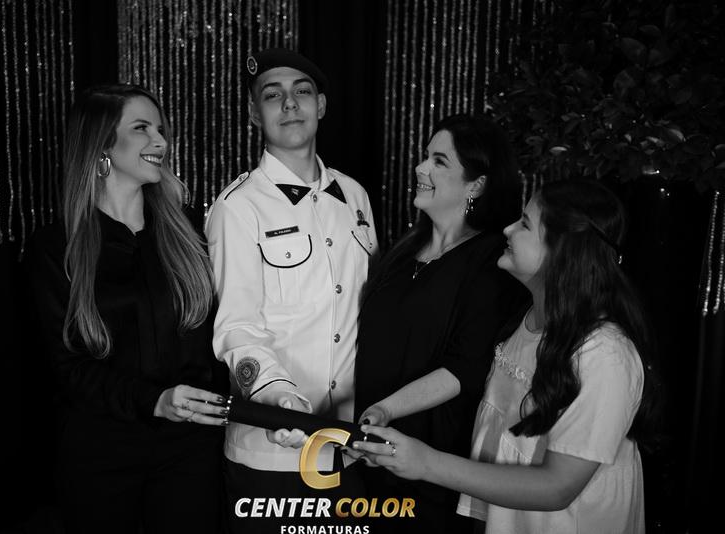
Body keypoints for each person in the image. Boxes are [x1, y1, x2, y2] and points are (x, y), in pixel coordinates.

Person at [353, 179, 659, 534]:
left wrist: (426, 463)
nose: (508, 229)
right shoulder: (525, 320)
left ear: (562, 250)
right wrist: (387, 412)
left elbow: (558, 487)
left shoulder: (603, 354)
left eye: (525, 224)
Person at [26, 84, 229, 533]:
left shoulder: (191, 232)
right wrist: (153, 401)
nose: (160, 141)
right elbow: (68, 367)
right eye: (142, 129)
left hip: (190, 450)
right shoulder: (56, 248)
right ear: (102, 143)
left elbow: (221, 336)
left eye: (160, 129)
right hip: (101, 455)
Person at [205, 48, 376, 533]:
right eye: (272, 95)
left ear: (320, 105)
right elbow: (237, 328)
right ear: (253, 112)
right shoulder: (237, 207)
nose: (289, 104)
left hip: (348, 446)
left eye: (302, 92)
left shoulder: (355, 196)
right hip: (272, 454)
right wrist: (279, 398)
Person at [350, 114, 526, 533]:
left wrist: (385, 411)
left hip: (429, 465)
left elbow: (466, 367)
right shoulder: (402, 253)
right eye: (425, 156)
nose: (420, 168)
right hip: (370, 456)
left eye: (439, 161)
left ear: (475, 185)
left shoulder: (491, 260)